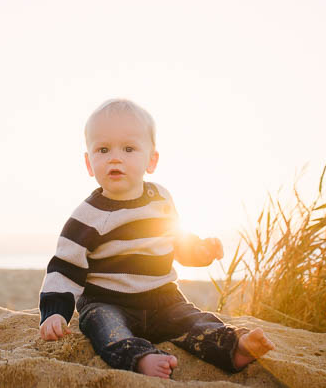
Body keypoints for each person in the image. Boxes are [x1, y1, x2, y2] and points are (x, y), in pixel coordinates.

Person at [38, 99, 275, 379]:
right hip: (107, 302)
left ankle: (233, 348)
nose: (115, 157)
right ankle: (141, 358)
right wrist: (55, 311)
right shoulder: (88, 216)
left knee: (195, 320)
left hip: (163, 300)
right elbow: (65, 266)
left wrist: (202, 251)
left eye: (129, 148)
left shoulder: (160, 199)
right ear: (90, 163)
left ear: (151, 160)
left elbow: (176, 240)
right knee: (104, 328)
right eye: (103, 149)